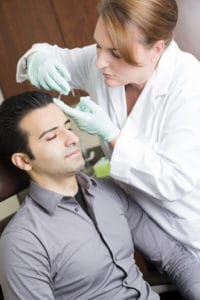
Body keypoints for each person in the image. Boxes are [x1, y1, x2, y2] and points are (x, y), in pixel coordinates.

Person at [15, 0, 200, 296]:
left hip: (190, 232)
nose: (100, 61)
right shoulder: (24, 241)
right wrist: (37, 60)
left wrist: (112, 136)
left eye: (115, 53)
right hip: (147, 228)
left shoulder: (189, 85)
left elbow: (174, 180)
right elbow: (47, 55)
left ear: (157, 49)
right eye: (98, 45)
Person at [0, 91, 199, 300]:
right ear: (23, 161)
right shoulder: (22, 242)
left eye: (68, 127)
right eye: (52, 137)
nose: (73, 139)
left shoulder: (109, 192)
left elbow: (174, 257)